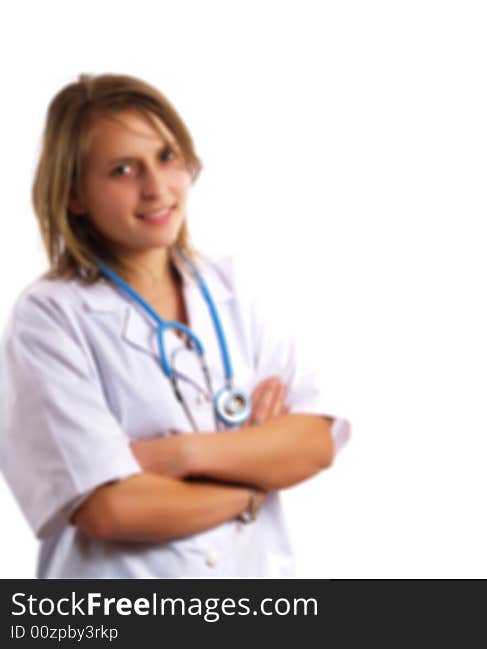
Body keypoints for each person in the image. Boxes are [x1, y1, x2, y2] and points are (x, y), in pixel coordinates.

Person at [0, 73, 350, 578]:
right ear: (74, 193)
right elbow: (109, 510)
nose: (156, 188)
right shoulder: (49, 318)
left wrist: (176, 454)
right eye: (123, 170)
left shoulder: (234, 289)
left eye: (167, 157)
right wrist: (255, 477)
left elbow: (315, 443)